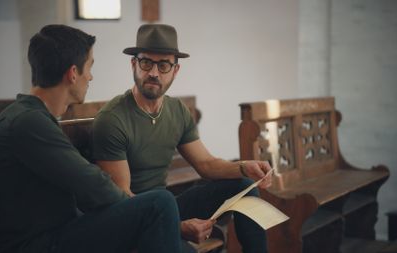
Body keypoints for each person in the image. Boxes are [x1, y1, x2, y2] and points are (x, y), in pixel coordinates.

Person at [0, 24, 182, 253]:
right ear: (73, 73)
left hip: (56, 233)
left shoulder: (32, 117)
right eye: (89, 67)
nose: (91, 76)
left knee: (164, 222)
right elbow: (93, 185)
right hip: (30, 245)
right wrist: (152, 219)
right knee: (159, 204)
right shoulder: (27, 122)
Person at [92, 24, 273, 253]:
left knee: (245, 186)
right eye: (146, 62)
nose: (154, 73)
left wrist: (246, 167)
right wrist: (177, 227)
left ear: (175, 70)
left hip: (166, 206)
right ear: (133, 64)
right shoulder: (113, 119)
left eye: (164, 65)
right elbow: (121, 199)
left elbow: (206, 165)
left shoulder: (177, 111)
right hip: (132, 220)